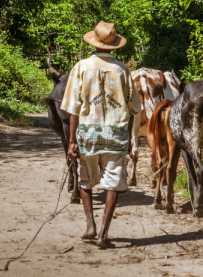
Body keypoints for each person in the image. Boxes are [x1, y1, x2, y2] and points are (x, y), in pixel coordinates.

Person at [61, 20, 142, 249]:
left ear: (93, 43)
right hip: (116, 134)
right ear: (115, 46)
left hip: (88, 134)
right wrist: (127, 138)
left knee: (86, 182)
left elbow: (73, 108)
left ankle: (90, 226)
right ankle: (103, 235)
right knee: (113, 184)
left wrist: (71, 141)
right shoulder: (122, 70)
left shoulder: (81, 67)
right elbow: (133, 108)